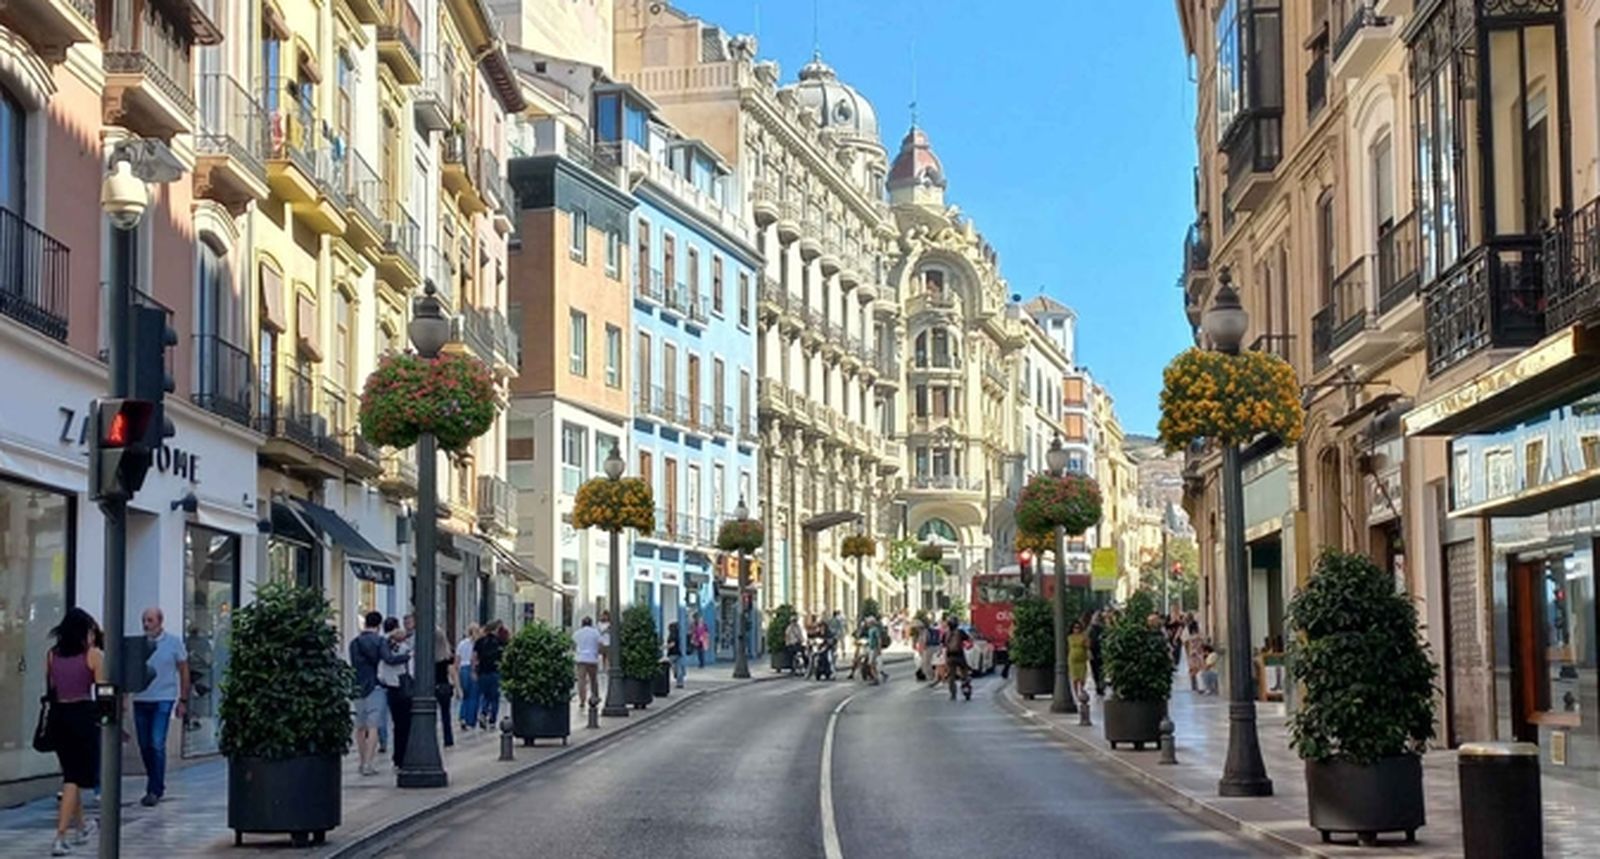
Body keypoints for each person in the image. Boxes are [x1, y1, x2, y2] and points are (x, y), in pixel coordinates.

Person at [45, 608, 102, 856]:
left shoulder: (52, 655)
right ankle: (60, 836)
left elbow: (51, 686)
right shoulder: (93, 655)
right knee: (73, 778)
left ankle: (81, 827)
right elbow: (103, 690)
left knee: (71, 773)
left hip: (59, 716)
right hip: (82, 715)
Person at [130, 607, 188, 807]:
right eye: (144, 620)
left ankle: (154, 788)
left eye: (150, 620)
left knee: (156, 742)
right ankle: (155, 781)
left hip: (164, 697)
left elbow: (183, 670)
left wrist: (183, 699)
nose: (146, 624)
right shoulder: (138, 645)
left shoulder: (173, 643)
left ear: (160, 621)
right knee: (145, 745)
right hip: (141, 698)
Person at [349, 611, 394, 776]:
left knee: (360, 727)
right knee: (373, 726)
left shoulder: (354, 643)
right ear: (379, 625)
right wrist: (405, 657)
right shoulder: (380, 641)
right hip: (374, 686)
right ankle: (369, 762)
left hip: (357, 686)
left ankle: (361, 762)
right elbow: (388, 659)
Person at [379, 617, 413, 770]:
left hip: (392, 687)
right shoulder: (404, 649)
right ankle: (402, 756)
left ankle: (399, 757)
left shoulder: (385, 645)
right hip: (402, 688)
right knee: (403, 725)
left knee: (399, 725)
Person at [474, 620, 506, 728]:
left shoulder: (479, 641)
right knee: (495, 697)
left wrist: (474, 670)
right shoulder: (499, 642)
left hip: (482, 672)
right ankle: (492, 720)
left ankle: (483, 713)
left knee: (485, 695)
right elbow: (504, 657)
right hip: (495, 672)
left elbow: (474, 657)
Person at [573, 616, 602, 707]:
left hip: (581, 658)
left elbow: (573, 644)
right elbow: (600, 644)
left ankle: (582, 700)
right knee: (593, 679)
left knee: (581, 680)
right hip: (592, 659)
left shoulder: (577, 633)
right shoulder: (595, 633)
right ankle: (595, 696)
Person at [434, 626, 455, 748]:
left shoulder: (429, 655)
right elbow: (451, 670)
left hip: (432, 685)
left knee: (432, 714)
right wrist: (457, 687)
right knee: (446, 714)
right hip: (444, 685)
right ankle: (448, 739)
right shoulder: (447, 655)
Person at [456, 624, 480, 732]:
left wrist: (457, 673)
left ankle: (462, 717)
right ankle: (470, 720)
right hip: (473, 668)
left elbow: (457, 660)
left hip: (463, 669)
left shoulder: (462, 643)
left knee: (465, 695)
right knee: (474, 696)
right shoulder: (477, 644)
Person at [942, 616, 972, 700]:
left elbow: (943, 647)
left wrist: (945, 660)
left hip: (950, 657)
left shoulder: (945, 634)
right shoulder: (960, 632)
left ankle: (953, 694)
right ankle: (966, 688)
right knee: (964, 672)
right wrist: (968, 646)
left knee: (951, 676)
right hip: (960, 656)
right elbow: (969, 640)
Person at [1068, 620, 1090, 702]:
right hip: (1073, 659)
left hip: (1082, 659)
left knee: (1082, 678)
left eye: (1078, 627)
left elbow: (1088, 646)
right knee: (1074, 678)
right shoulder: (1070, 637)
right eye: (1075, 628)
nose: (1076, 629)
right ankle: (1076, 694)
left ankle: (1081, 691)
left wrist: (1085, 641)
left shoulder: (1083, 636)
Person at [1088, 612, 1107, 697]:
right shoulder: (1093, 629)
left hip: (1098, 652)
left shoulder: (1094, 629)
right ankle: (1099, 686)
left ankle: (1099, 686)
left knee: (1097, 671)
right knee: (1098, 671)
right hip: (1097, 652)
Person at [865, 617, 887, 685]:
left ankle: (876, 678)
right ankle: (876, 677)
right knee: (872, 664)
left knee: (871, 664)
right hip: (871, 648)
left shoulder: (875, 629)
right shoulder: (870, 630)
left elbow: (879, 639)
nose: (867, 624)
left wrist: (879, 648)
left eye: (868, 622)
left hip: (874, 648)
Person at [665, 621, 685, 689]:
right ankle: (680, 683)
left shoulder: (671, 635)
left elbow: (672, 644)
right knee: (678, 668)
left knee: (673, 668)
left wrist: (664, 647)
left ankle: (676, 678)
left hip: (672, 654)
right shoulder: (677, 635)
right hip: (678, 653)